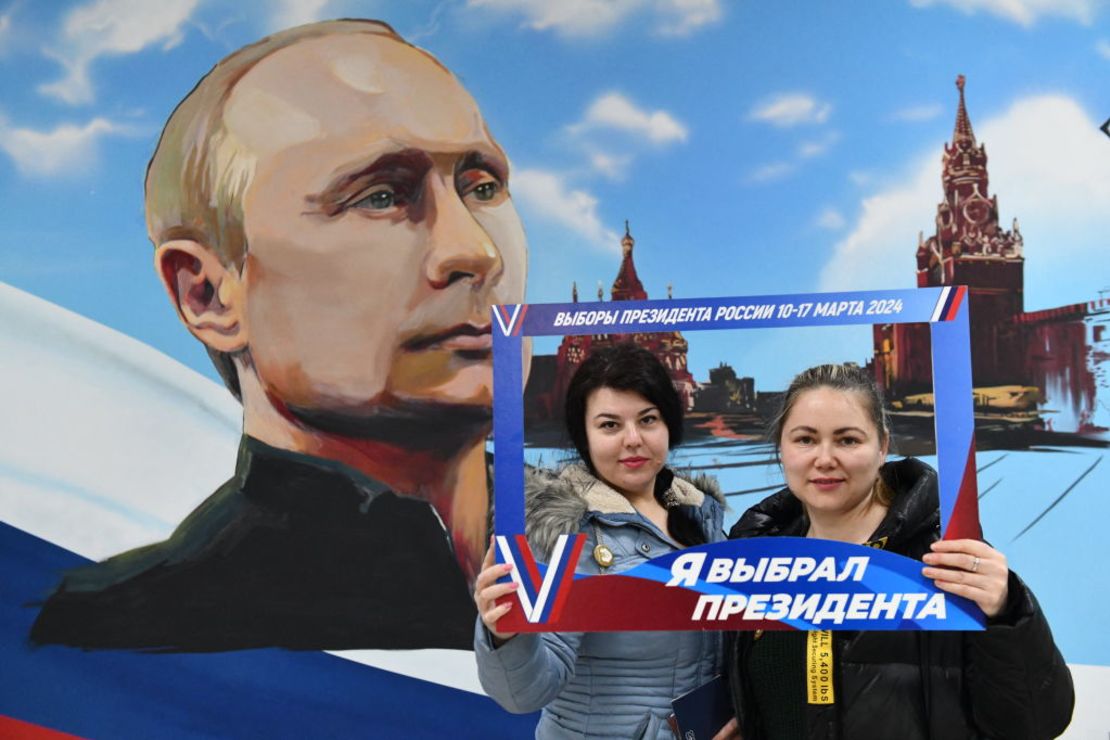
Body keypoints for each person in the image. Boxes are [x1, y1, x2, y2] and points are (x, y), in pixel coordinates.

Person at [30, 19, 527, 652]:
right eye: (380, 196)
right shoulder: (119, 635)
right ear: (207, 294)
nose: (477, 252)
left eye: (482, 187)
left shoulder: (640, 544)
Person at [724, 364, 1074, 739]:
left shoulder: (943, 558)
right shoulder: (755, 561)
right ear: (782, 447)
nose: (824, 459)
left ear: (883, 447)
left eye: (848, 440)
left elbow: (1037, 723)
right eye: (805, 439)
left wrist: (1007, 612)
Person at [474, 343, 727, 739]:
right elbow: (526, 692)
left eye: (648, 420)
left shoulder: (703, 516)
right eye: (610, 425)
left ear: (669, 425)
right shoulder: (563, 530)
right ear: (584, 436)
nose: (633, 439)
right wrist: (505, 634)